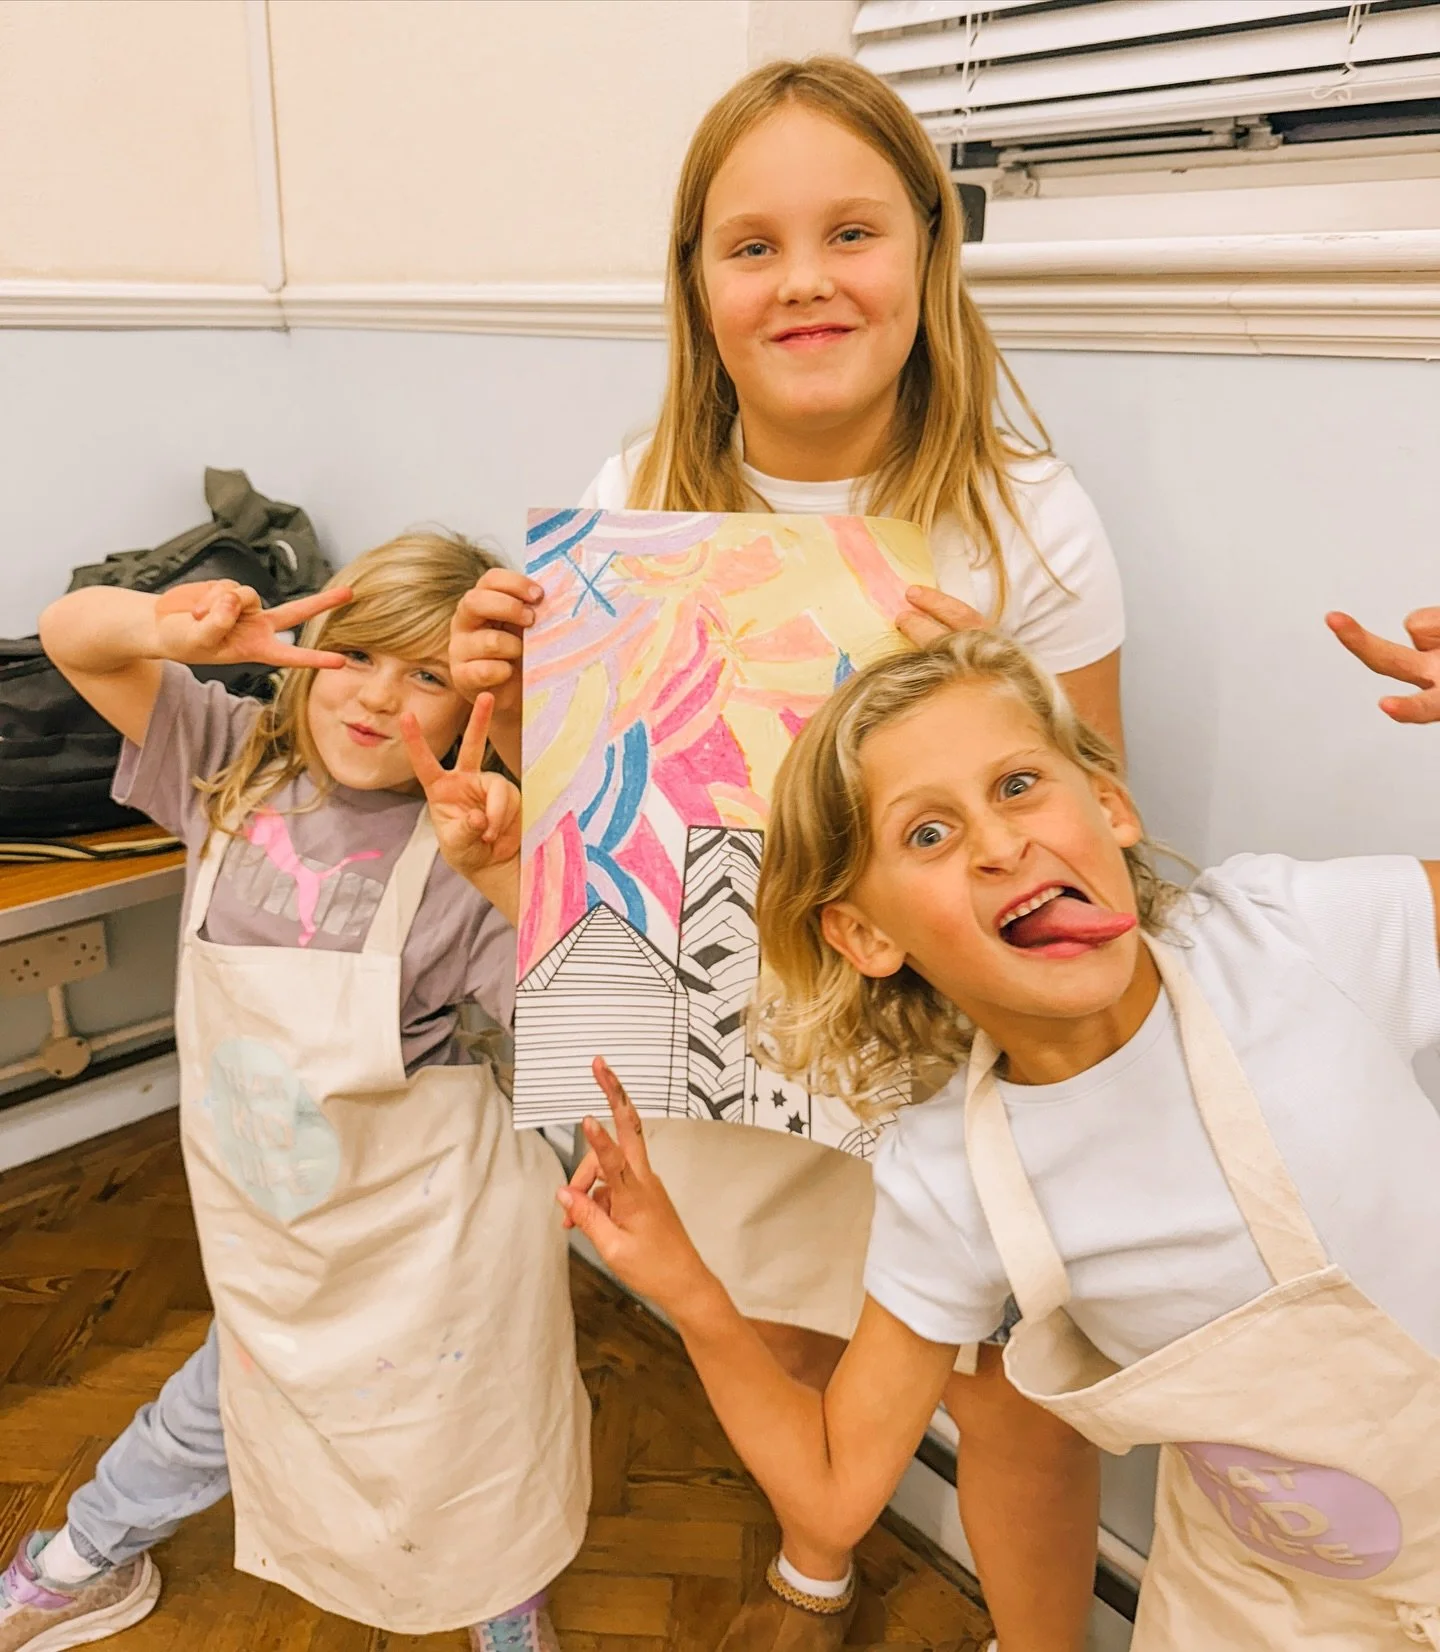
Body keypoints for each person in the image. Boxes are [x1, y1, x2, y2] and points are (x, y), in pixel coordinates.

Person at [451, 54, 1122, 1651]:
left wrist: (1000, 719)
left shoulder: (1028, 519)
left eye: (853, 233)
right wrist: (513, 697)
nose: (806, 279)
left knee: (1012, 1391)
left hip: (957, 1045)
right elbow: (604, 801)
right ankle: (818, 1566)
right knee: (790, 1324)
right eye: (752, 245)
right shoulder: (632, 496)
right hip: (732, 1021)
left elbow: (1112, 830)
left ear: (929, 254)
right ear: (696, 284)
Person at [562, 613, 1440, 1651]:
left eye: (1019, 784)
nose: (1000, 843)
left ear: (1107, 804)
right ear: (865, 933)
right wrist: (692, 1292)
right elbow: (836, 1492)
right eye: (927, 834)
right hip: (1263, 1595)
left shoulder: (1283, 932)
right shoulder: (952, 1174)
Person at [5, 535, 590, 1651]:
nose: (377, 697)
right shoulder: (226, 756)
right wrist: (167, 627)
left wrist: (515, 875)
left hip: (435, 1229)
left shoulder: (469, 851)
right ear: (309, 646)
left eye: (427, 674)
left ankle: (500, 1592)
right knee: (239, 1386)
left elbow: (585, 1027)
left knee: (468, 1423)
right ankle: (89, 1554)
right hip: (270, 1210)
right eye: (357, 653)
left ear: (479, 699)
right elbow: (71, 635)